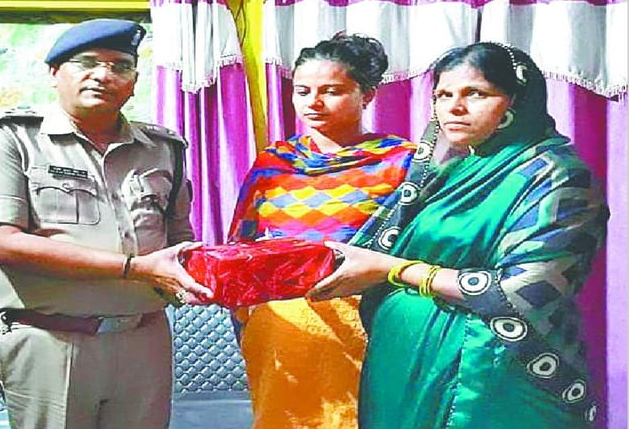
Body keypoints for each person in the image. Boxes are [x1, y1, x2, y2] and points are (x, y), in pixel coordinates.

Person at [307, 42, 609, 428]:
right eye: (443, 95)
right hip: (406, 365)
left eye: (475, 94)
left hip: (492, 380)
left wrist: (395, 270)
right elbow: (374, 245)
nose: (454, 107)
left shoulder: (556, 176)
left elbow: (527, 289)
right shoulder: (448, 174)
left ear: (517, 101)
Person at [0, 18, 212, 429]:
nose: (104, 75)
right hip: (50, 341)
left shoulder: (164, 149)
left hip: (144, 338)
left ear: (134, 82)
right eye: (87, 62)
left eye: (120, 66)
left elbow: (179, 236)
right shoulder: (8, 137)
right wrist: (133, 268)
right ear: (54, 72)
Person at [228, 33, 417, 428]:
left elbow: (419, 250)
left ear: (367, 95)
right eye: (303, 91)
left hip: (369, 326)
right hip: (281, 328)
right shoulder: (273, 163)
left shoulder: (403, 163)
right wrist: (246, 315)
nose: (313, 102)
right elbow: (241, 245)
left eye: (331, 91)